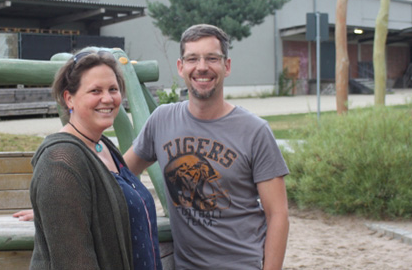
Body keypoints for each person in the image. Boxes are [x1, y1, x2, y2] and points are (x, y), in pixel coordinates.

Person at [124, 24, 290, 269]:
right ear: (181, 67)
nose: (202, 67)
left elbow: (278, 215)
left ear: (227, 66)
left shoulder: (255, 131)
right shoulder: (162, 120)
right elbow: (120, 174)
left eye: (212, 58)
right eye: (193, 59)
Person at [23, 47, 162, 270]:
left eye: (113, 89)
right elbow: (74, 263)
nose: (107, 99)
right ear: (69, 98)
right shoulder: (60, 160)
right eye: (95, 91)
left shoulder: (103, 146)